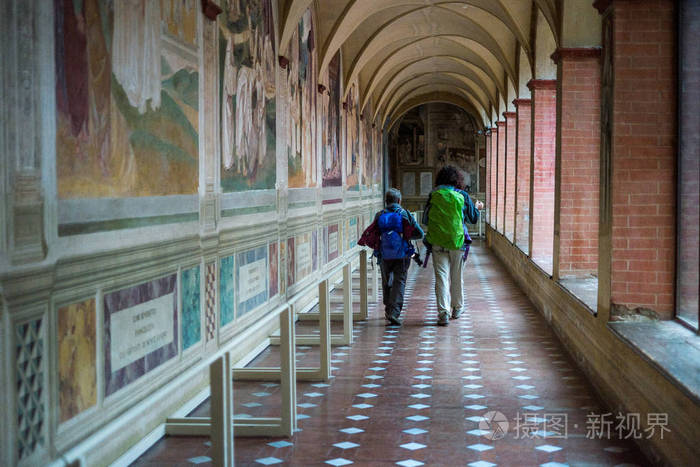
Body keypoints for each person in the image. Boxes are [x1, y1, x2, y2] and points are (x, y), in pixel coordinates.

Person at [422, 166, 484, 326]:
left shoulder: (433, 195)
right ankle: (457, 308)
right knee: (457, 277)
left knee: (441, 277)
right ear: (457, 180)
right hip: (457, 242)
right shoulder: (462, 195)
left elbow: (425, 220)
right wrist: (477, 208)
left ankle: (443, 312)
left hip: (437, 242)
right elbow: (473, 219)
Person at [359, 188, 424, 325]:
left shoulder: (379, 214)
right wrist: (405, 237)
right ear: (399, 201)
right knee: (399, 281)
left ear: (386, 201)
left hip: (384, 254)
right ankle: (394, 312)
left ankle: (388, 309)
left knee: (386, 280)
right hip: (402, 254)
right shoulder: (404, 213)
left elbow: (374, 233)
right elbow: (420, 233)